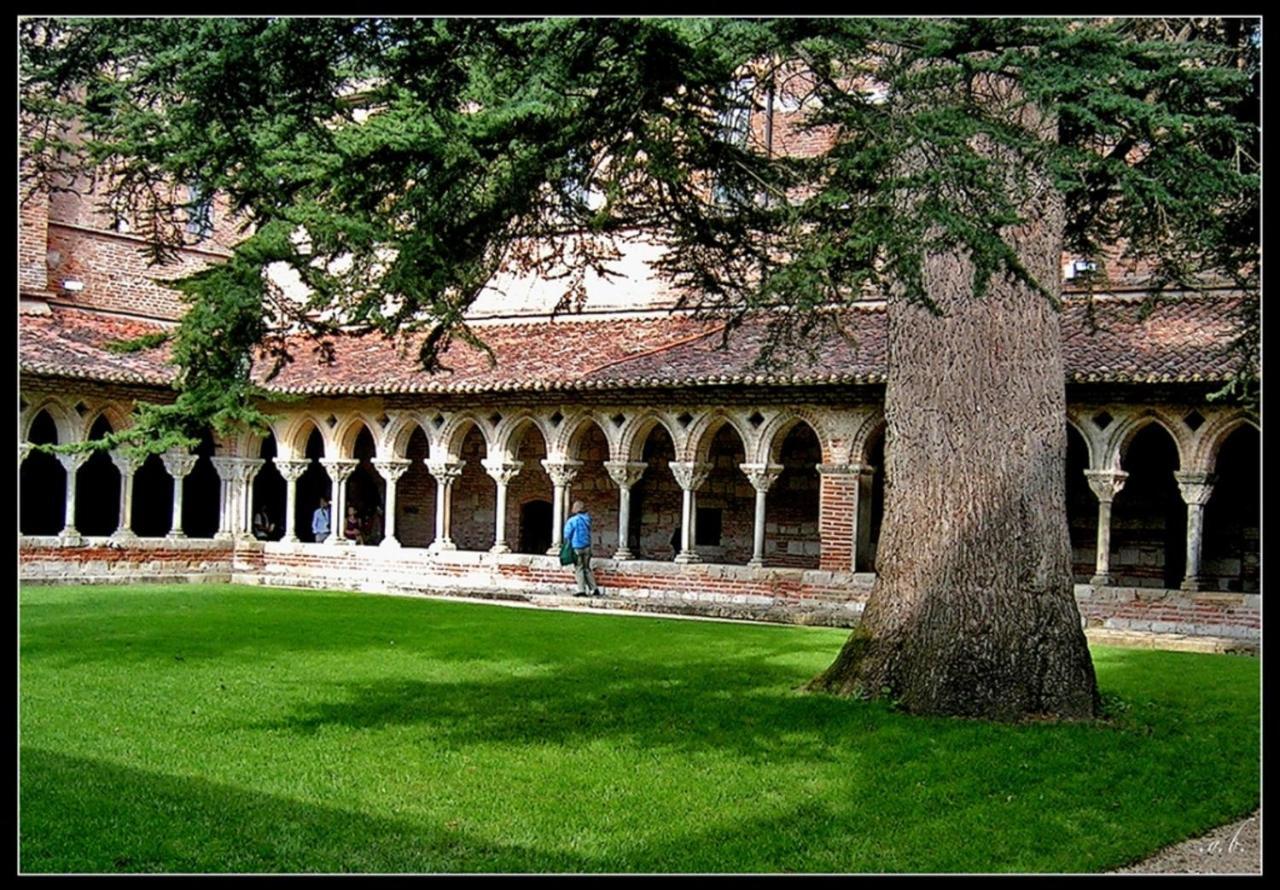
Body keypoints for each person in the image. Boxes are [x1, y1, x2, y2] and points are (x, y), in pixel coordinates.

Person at [563, 499, 602, 597]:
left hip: (577, 547)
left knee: (579, 568)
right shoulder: (587, 519)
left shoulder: (573, 520)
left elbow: (567, 534)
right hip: (587, 547)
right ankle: (594, 588)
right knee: (587, 568)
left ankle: (581, 590)